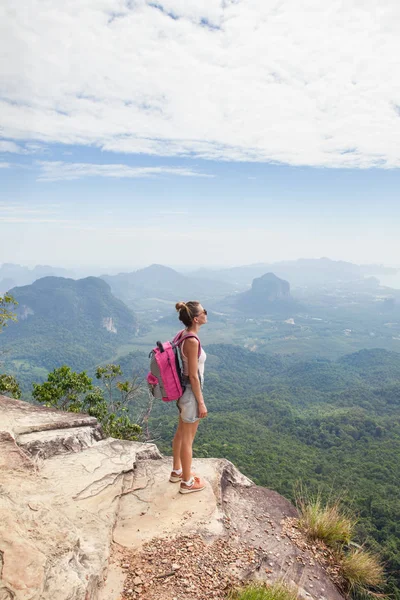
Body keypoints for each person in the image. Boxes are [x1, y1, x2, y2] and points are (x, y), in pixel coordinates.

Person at [170, 301, 208, 494]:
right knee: (188, 438)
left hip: (181, 392)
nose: (206, 315)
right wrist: (201, 402)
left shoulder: (182, 334)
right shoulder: (192, 341)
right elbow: (193, 375)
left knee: (180, 432)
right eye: (204, 312)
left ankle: (177, 471)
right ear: (196, 318)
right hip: (190, 394)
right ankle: (187, 482)